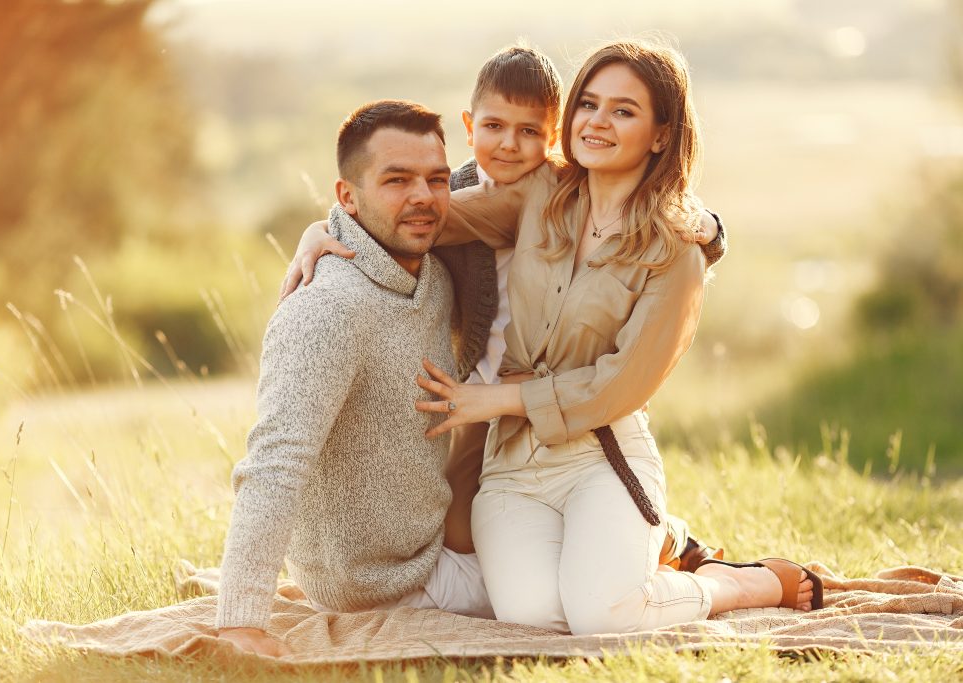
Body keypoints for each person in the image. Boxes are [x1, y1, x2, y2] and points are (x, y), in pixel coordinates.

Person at [292, 39, 822, 636]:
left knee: (602, 617)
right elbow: (422, 218)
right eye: (588, 104)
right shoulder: (539, 192)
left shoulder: (678, 248)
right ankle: (652, 550)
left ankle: (739, 582)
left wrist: (495, 400)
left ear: (661, 135)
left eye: (623, 111)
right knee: (530, 614)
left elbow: (623, 383)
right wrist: (326, 226)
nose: (597, 122)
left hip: (601, 451)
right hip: (513, 463)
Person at [214, 100, 496, 657]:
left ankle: (661, 536)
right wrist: (241, 622)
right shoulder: (327, 309)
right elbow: (275, 461)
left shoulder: (433, 276)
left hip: (432, 546)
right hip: (379, 587)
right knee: (568, 598)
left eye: (436, 180)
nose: (423, 196)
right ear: (347, 196)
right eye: (397, 180)